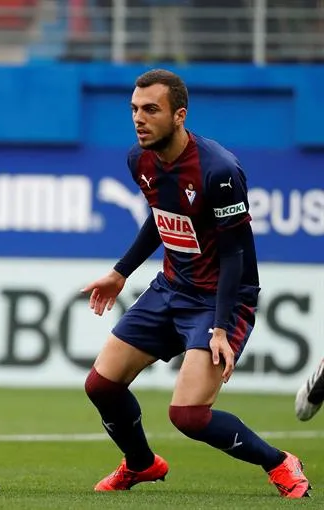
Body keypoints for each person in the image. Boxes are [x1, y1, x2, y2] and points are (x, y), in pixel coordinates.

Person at [80, 69, 310, 498]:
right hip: (171, 287)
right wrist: (120, 272)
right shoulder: (140, 159)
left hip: (220, 298)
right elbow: (161, 218)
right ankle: (141, 464)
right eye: (134, 109)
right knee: (101, 385)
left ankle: (279, 462)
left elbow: (234, 254)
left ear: (179, 115)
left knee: (187, 415)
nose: (138, 119)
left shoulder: (218, 171)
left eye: (151, 109)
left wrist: (221, 327)